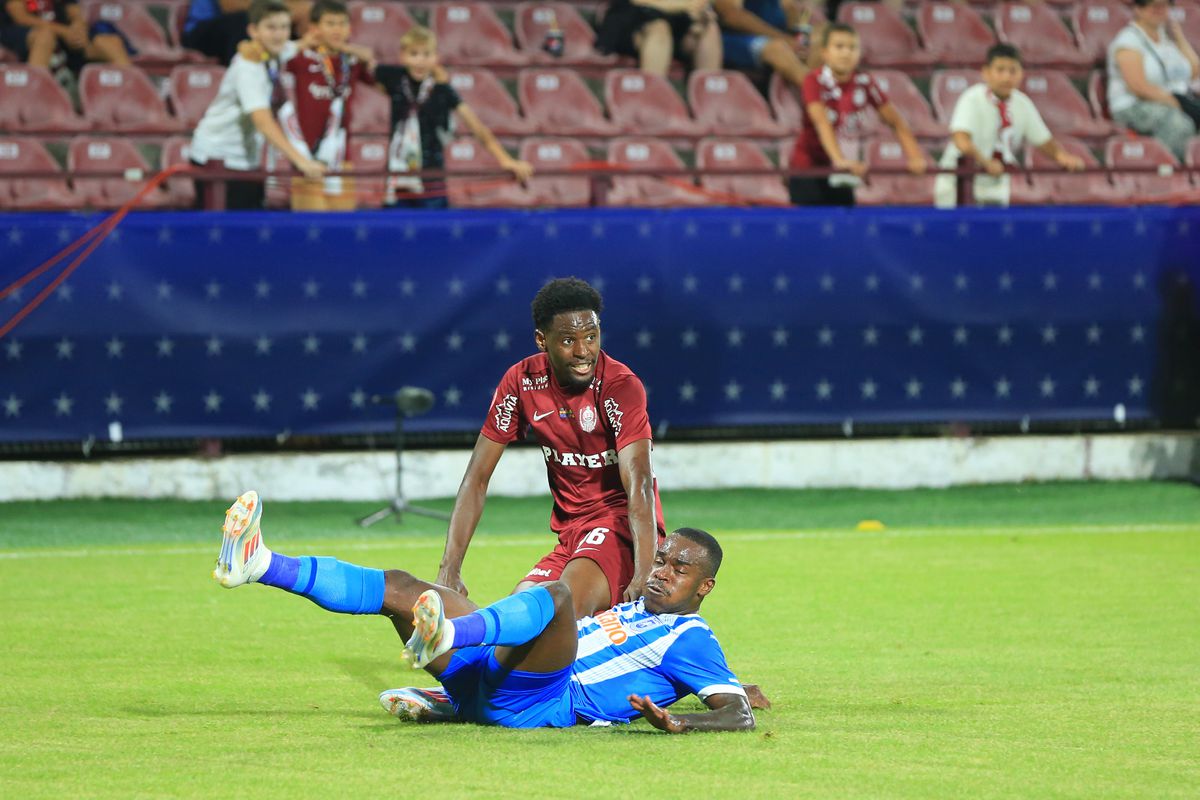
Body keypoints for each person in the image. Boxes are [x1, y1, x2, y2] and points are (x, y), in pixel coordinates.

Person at [213, 490, 755, 732]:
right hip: (494, 683)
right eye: (660, 559)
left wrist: (680, 719)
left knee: (559, 595)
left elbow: (738, 712)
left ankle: (449, 637)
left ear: (704, 586)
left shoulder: (693, 636)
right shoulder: (638, 610)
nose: (660, 571)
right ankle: (259, 563)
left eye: (678, 568)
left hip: (542, 702)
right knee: (402, 586)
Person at [437, 277, 662, 620]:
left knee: (560, 610)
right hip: (570, 535)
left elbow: (640, 482)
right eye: (569, 340)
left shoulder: (619, 386)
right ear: (542, 340)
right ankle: (457, 653)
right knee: (516, 612)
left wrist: (644, 570)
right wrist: (450, 569)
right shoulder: (521, 381)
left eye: (591, 336)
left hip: (619, 529)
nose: (584, 351)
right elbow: (476, 479)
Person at [373, 25, 533, 209]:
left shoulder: (443, 90)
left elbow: (476, 126)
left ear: (436, 58)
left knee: (434, 232)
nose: (420, 61)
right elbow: (363, 63)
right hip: (398, 175)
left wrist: (505, 159)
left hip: (431, 178)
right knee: (394, 231)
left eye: (426, 55)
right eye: (414, 54)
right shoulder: (393, 78)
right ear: (402, 56)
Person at [238, 0, 375, 211]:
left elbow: (382, 78)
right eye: (330, 23)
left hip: (341, 156)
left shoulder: (353, 62)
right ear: (314, 28)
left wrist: (360, 54)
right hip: (305, 155)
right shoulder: (299, 58)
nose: (337, 29)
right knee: (312, 227)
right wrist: (248, 46)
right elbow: (268, 54)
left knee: (344, 229)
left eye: (342, 24)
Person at [189, 0, 326, 210]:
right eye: (271, 27)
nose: (279, 34)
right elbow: (262, 120)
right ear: (253, 30)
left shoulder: (270, 52)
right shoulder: (248, 67)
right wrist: (301, 161)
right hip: (217, 161)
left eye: (284, 27)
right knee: (223, 234)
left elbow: (294, 45)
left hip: (246, 162)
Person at [787, 22, 925, 206]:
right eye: (839, 47)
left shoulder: (865, 81)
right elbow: (822, 123)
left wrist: (915, 156)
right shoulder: (813, 81)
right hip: (808, 170)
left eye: (852, 47)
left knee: (845, 230)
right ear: (824, 52)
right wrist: (839, 160)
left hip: (844, 171)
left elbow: (896, 122)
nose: (846, 53)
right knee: (808, 232)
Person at [934, 43, 1084, 209]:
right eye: (1000, 70)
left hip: (996, 186)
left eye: (1013, 71)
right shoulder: (971, 99)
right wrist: (985, 162)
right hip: (959, 185)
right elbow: (961, 141)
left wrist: (1062, 157)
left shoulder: (1023, 103)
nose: (1006, 77)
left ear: (1021, 74)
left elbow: (1043, 140)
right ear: (986, 72)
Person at [1108, 0, 1200, 161]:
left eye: (1164, 6)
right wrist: (1179, 104)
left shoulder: (1167, 40)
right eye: (1154, 6)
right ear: (1138, 9)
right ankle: (1170, 171)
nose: (1160, 10)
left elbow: (1193, 72)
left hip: (1173, 100)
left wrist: (1180, 39)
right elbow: (1138, 87)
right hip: (1133, 105)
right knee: (1179, 124)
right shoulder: (1128, 41)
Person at [713, 0, 821, 93]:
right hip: (734, 38)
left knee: (820, 42)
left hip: (775, 34)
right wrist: (784, 38)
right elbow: (731, 15)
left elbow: (788, 7)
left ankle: (819, 97)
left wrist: (799, 35)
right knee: (777, 50)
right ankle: (820, 96)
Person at [594, 0, 723, 77]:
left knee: (710, 30)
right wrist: (684, 5)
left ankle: (710, 103)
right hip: (633, 19)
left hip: (680, 21)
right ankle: (651, 99)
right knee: (660, 30)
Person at [0, 0, 129, 71]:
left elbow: (75, 12)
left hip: (64, 37)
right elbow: (20, 18)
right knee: (45, 38)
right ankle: (33, 98)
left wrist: (80, 31)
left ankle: (131, 98)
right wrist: (65, 31)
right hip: (22, 36)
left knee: (111, 42)